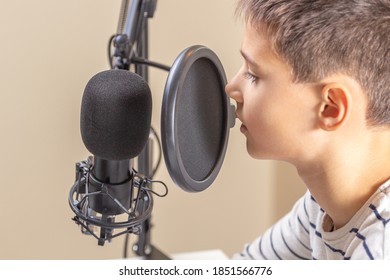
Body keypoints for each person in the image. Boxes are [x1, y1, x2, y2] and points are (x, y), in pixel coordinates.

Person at [225, 0, 390, 260]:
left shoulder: (380, 253)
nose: (231, 88)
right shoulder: (320, 206)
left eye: (253, 74)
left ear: (329, 108)